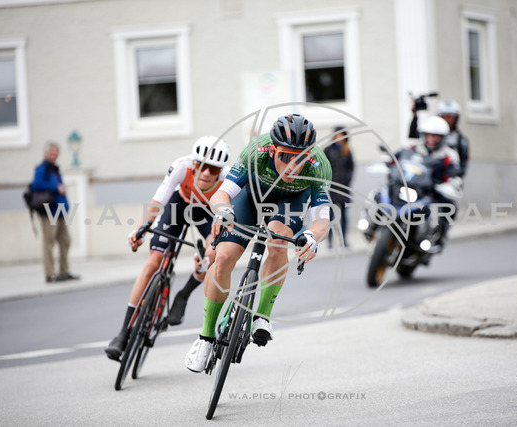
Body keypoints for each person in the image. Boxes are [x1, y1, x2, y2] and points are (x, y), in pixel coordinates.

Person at [184, 114, 332, 373]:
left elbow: (322, 220)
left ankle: (262, 316)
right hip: (251, 196)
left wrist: (311, 236)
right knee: (223, 258)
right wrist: (223, 210)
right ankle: (205, 338)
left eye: (299, 159)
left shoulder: (319, 165)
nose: (292, 166)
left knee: (277, 241)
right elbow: (221, 193)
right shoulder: (256, 151)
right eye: (285, 156)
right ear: (273, 150)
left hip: (291, 202)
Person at [104, 136, 231, 361]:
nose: (206, 173)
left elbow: (225, 219)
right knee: (153, 263)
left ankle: (183, 295)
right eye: (202, 166)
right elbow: (158, 201)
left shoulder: (227, 179)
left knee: (211, 255)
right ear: (194, 163)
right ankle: (123, 333)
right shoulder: (182, 166)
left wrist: (211, 249)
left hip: (207, 212)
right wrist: (140, 231)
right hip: (178, 205)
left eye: (213, 169)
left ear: (219, 171)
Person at [403, 116, 463, 249]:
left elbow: (455, 173)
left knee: (449, 207)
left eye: (436, 136)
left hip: (433, 191)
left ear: (443, 138)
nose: (432, 139)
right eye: (429, 135)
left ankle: (439, 237)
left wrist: (452, 183)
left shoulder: (449, 155)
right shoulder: (414, 149)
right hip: (411, 187)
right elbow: (397, 159)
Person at [31, 142, 79, 283]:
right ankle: (50, 274)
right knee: (49, 243)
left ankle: (64, 271)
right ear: (45, 153)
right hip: (49, 210)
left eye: (56, 153)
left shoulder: (55, 169)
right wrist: (56, 187)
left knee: (65, 241)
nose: (54, 155)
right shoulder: (42, 169)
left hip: (60, 210)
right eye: (52, 152)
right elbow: (36, 185)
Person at [409, 99, 470, 178]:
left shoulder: (460, 141)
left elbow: (463, 165)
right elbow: (415, 138)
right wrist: (415, 116)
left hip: (447, 176)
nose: (447, 120)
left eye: (450, 117)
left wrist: (455, 176)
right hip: (428, 174)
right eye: (444, 117)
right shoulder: (430, 134)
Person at [323, 126, 355, 248]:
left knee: (344, 215)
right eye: (337, 135)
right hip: (331, 189)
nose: (339, 138)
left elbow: (351, 168)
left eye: (341, 136)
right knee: (330, 216)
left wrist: (347, 181)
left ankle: (344, 239)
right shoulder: (328, 150)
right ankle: (330, 240)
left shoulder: (347, 151)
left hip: (343, 188)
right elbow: (324, 167)